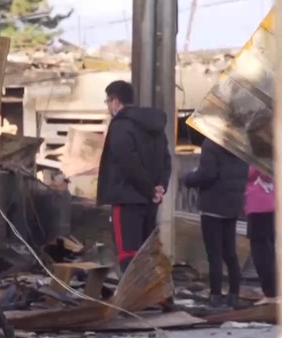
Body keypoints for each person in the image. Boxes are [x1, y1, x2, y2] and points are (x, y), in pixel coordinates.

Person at [96, 80, 172, 274]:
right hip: (149, 201)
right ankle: (158, 296)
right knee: (148, 251)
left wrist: (148, 188)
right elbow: (166, 159)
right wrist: (160, 187)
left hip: (126, 198)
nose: (108, 107)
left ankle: (133, 301)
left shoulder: (121, 126)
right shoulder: (155, 126)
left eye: (107, 101)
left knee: (128, 252)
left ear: (115, 102)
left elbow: (127, 162)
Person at [182, 139, 248, 307]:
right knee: (230, 254)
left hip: (212, 205)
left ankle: (216, 296)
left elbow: (206, 175)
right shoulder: (239, 144)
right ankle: (234, 295)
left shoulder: (211, 145)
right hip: (232, 205)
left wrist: (189, 178)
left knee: (215, 255)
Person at [246, 166, 277, 305]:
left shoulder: (260, 155)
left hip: (259, 206)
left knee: (261, 251)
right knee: (270, 249)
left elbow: (252, 173)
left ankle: (271, 293)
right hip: (272, 204)